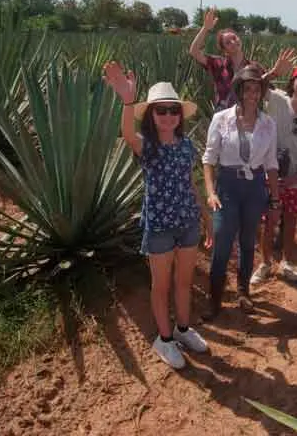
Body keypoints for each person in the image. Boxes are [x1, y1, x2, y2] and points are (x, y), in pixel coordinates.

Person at [102, 63, 208, 370]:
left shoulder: (187, 146)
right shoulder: (146, 146)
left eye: (173, 110)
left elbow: (190, 183)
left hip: (187, 223)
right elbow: (126, 133)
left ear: (180, 115)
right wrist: (127, 101)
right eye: (161, 110)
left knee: (184, 282)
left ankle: (183, 329)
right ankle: (164, 339)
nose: (168, 115)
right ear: (151, 115)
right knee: (161, 286)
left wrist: (205, 215)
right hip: (160, 226)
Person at [202, 65, 281, 319]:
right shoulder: (221, 119)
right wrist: (211, 192)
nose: (252, 94)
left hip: (255, 186)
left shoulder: (268, 124)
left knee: (248, 241)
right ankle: (214, 298)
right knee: (222, 240)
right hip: (227, 186)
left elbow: (271, 164)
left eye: (257, 89)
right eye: (248, 89)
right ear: (239, 90)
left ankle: (243, 291)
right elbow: (209, 159)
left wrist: (275, 199)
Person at [252, 64, 297, 285]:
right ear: (292, 83)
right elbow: (256, 86)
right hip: (271, 175)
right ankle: (265, 263)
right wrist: (273, 72)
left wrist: (295, 177)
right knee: (269, 221)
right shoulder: (277, 100)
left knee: (291, 223)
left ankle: (286, 261)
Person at [188, 7, 292, 111]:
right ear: (224, 50)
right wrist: (205, 28)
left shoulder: (254, 67)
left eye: (234, 38)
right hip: (223, 117)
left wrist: (274, 73)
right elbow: (194, 51)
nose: (233, 42)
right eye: (228, 42)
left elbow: (263, 83)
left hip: (247, 117)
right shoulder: (218, 64)